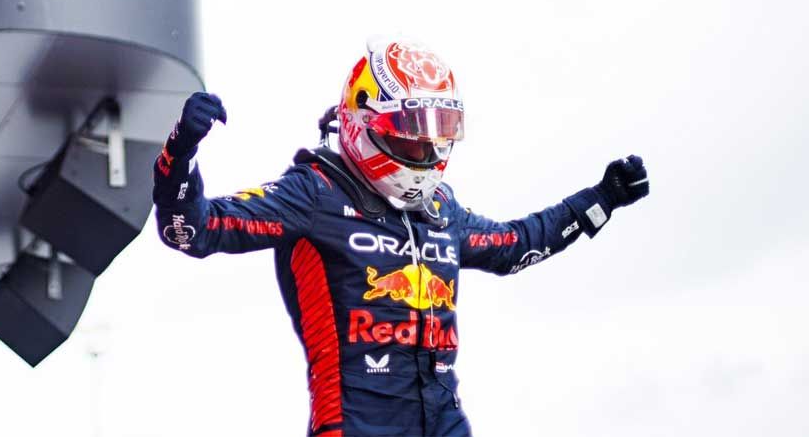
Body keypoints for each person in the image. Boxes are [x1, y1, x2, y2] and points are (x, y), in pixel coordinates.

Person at [151, 39, 650, 437]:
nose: (425, 148)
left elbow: (514, 246)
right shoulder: (312, 193)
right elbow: (192, 231)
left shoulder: (439, 208)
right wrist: (182, 152)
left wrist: (601, 198)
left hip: (445, 422)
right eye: (410, 132)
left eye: (436, 134)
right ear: (364, 122)